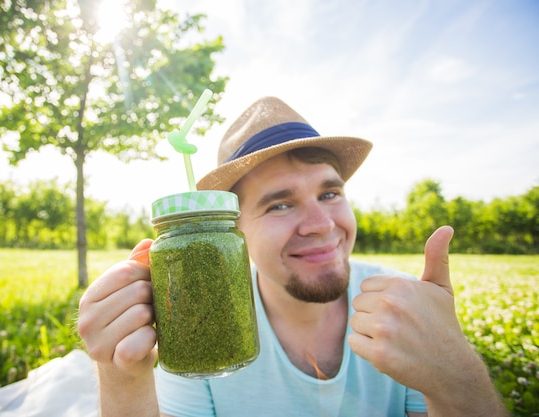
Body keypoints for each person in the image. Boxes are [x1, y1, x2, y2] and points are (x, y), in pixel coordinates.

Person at [78, 97, 507, 416]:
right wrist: (124, 381)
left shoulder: (404, 308)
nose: (321, 223)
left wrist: (458, 377)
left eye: (330, 192)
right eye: (279, 204)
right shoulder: (200, 322)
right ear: (233, 231)